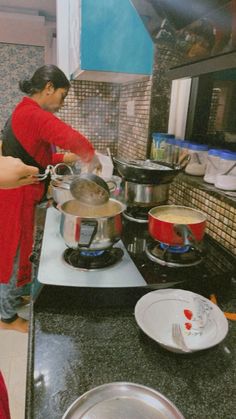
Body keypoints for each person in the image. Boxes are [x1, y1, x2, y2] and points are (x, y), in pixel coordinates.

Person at [0, 64, 101, 333]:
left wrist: (65, 157)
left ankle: (16, 294)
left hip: (19, 193)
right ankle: (6, 317)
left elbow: (32, 154)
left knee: (18, 249)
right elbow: (69, 136)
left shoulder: (24, 111)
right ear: (48, 88)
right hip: (15, 197)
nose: (62, 103)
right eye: (62, 95)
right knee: (11, 253)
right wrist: (90, 155)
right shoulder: (33, 114)